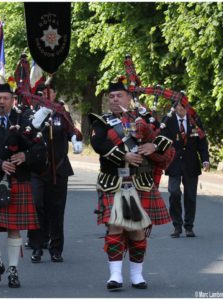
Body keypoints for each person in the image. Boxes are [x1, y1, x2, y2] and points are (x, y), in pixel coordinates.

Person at [89, 80, 174, 291]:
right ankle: (115, 276)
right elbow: (99, 144)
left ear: (129, 97)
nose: (115, 99)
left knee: (137, 229)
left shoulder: (145, 118)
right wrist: (124, 155)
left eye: (119, 95)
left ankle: (137, 275)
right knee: (116, 225)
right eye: (111, 96)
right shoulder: (102, 121)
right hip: (113, 181)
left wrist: (153, 145)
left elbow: (167, 137)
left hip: (140, 182)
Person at [0, 83, 47, 288]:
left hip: (18, 180)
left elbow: (39, 149)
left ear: (13, 101)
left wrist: (26, 155)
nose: (2, 102)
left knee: (14, 228)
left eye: (6, 98)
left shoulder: (25, 124)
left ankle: (13, 269)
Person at [26, 82, 83, 264]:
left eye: (50, 91)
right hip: (37, 170)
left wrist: (75, 140)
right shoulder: (33, 112)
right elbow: (28, 133)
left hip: (58, 169)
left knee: (56, 210)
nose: (47, 94)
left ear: (55, 92)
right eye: (43, 92)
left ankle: (56, 249)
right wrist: (40, 115)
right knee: (37, 206)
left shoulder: (61, 113)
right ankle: (37, 246)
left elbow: (71, 131)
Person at [161, 101, 210, 238]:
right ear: (174, 107)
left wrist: (205, 159)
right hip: (174, 163)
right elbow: (161, 140)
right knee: (174, 192)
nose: (182, 108)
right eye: (179, 106)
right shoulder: (168, 121)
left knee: (190, 196)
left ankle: (189, 226)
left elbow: (202, 142)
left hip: (191, 164)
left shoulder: (194, 121)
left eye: (184, 106)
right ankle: (177, 226)